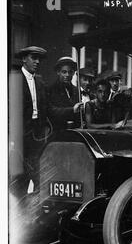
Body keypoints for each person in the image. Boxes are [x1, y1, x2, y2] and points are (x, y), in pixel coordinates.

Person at [11, 46, 49, 196]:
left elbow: (49, 109)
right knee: (19, 178)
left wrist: (72, 109)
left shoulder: (39, 82)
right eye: (34, 58)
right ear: (24, 59)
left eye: (39, 59)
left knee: (38, 172)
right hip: (19, 136)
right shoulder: (14, 79)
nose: (37, 62)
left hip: (37, 135)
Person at [48, 57, 83, 132]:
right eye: (64, 72)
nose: (67, 75)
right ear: (58, 72)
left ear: (73, 73)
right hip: (57, 130)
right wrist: (72, 110)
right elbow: (51, 111)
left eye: (70, 72)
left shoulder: (77, 90)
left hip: (75, 130)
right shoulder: (51, 89)